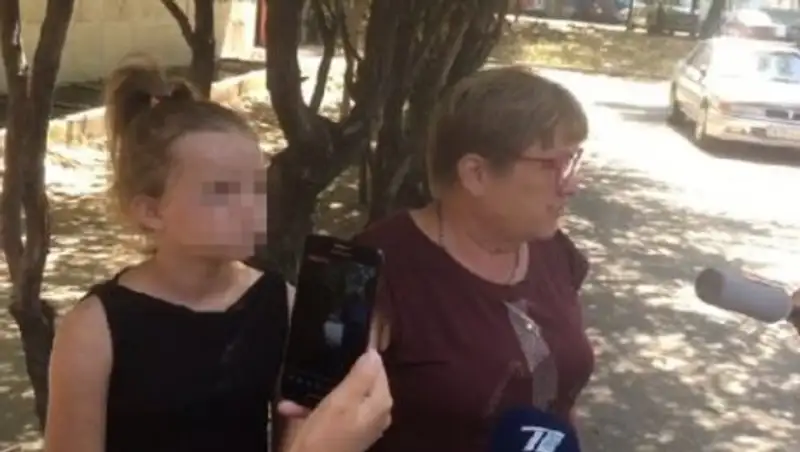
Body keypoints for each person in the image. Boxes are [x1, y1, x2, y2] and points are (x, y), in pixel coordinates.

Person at [44, 59, 391, 452]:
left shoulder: (282, 303)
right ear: (151, 211)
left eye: (257, 187)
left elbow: (295, 434)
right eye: (221, 192)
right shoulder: (94, 329)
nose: (250, 208)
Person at [284, 65, 596, 451]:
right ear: (476, 173)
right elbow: (308, 434)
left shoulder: (554, 252)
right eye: (553, 165)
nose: (571, 184)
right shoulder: (364, 273)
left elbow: (560, 397)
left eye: (574, 160)